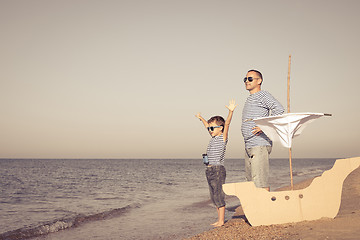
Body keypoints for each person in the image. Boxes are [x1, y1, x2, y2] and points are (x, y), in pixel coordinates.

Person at [195, 99, 237, 227]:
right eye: (209, 128)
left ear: (221, 128)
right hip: (209, 169)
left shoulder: (222, 138)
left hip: (218, 169)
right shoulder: (213, 138)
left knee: (219, 195)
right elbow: (206, 126)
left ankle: (221, 221)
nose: (210, 130)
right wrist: (201, 118)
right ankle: (219, 219)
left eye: (213, 128)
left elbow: (228, 123)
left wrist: (230, 112)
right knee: (213, 196)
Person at [241, 70, 284, 191]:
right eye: (245, 79)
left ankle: (265, 209)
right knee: (250, 182)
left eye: (250, 79)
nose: (246, 81)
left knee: (260, 182)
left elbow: (279, 109)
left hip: (259, 144)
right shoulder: (250, 98)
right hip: (249, 144)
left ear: (259, 81)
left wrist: (264, 127)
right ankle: (255, 208)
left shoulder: (263, 95)